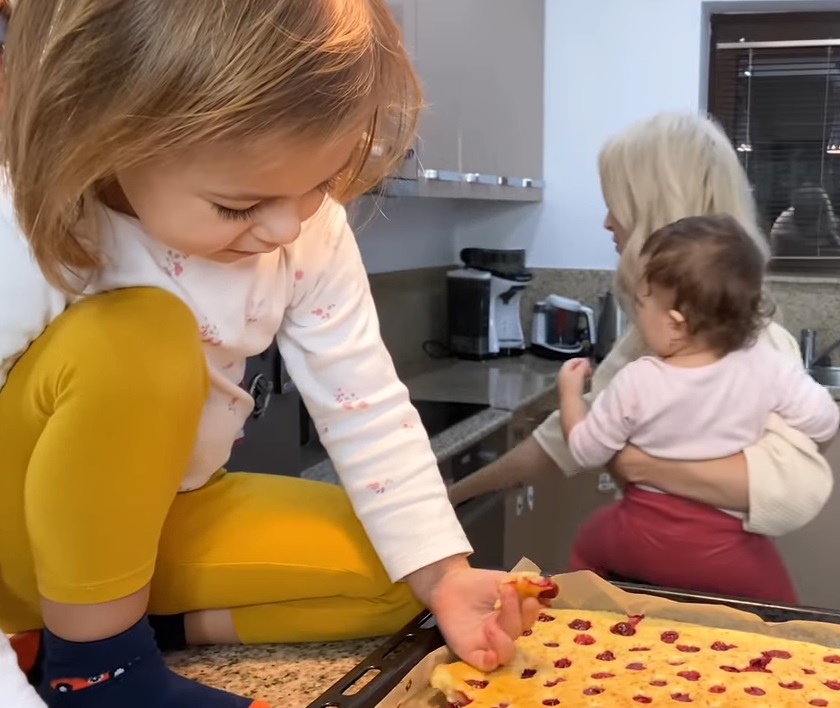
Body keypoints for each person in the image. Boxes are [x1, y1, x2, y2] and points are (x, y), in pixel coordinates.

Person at [0, 2, 538, 708]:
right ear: (99, 137)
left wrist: (443, 575)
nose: (287, 227)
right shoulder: (28, 218)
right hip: (19, 535)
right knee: (138, 336)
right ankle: (99, 671)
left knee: (397, 569)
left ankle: (115, 634)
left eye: (319, 184)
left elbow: (366, 405)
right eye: (237, 206)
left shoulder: (309, 232)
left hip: (161, 521)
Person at [448, 111, 835, 565]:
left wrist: (640, 465)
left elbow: (790, 487)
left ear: (654, 209)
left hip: (700, 574)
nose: (607, 222)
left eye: (617, 203)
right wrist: (452, 496)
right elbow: (561, 439)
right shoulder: (666, 329)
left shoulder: (752, 345)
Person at [556, 214, 840, 602]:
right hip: (728, 548)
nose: (637, 316)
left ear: (675, 324)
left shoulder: (638, 380)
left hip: (638, 534)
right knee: (781, 613)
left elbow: (586, 452)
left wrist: (570, 396)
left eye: (640, 303)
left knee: (586, 548)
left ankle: (575, 624)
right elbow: (825, 422)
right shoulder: (768, 366)